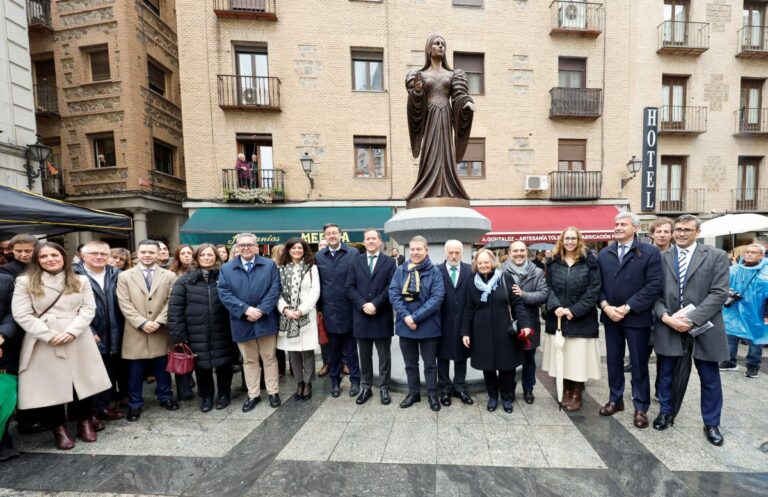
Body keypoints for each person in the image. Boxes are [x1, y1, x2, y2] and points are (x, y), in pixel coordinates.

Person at [12, 242, 110, 450]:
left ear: (63, 257)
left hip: (78, 335)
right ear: (37, 260)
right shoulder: (25, 281)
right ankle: (59, 428)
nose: (50, 259)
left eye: (54, 255)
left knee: (83, 382)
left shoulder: (79, 280)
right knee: (52, 386)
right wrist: (48, 335)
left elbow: (88, 308)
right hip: (43, 338)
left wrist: (72, 331)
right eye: (44, 256)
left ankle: (84, 421)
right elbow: (21, 314)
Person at [653, 215, 729, 446]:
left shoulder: (716, 256)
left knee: (709, 377)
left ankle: (712, 423)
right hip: (669, 325)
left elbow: (719, 293)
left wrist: (691, 319)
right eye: (678, 229)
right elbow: (652, 293)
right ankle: (666, 412)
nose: (681, 234)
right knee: (665, 374)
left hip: (705, 326)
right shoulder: (660, 257)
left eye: (687, 229)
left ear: (697, 231)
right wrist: (666, 317)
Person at [597, 213, 662, 429]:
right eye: (615, 224)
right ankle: (615, 400)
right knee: (614, 361)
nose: (617, 227)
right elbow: (596, 285)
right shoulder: (605, 253)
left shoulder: (649, 252)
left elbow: (653, 286)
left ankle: (640, 406)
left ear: (635, 228)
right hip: (610, 317)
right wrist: (606, 305)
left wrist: (626, 308)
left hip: (637, 318)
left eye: (623, 224)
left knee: (638, 364)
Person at [405, 34, 475, 205]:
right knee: (430, 152)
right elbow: (415, 102)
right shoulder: (418, 75)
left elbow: (459, 95)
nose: (440, 46)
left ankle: (449, 189)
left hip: (445, 116)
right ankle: (426, 188)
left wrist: (466, 104)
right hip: (430, 118)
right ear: (429, 48)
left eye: (443, 44)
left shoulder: (454, 74)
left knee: (445, 152)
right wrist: (418, 91)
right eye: (437, 43)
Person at [461, 249, 534, 413]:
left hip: (505, 331)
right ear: (476, 265)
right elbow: (469, 309)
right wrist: (465, 332)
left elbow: (517, 303)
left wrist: (525, 324)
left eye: (486, 262)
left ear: (493, 262)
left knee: (507, 367)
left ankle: (507, 398)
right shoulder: (472, 281)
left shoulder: (505, 277)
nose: (483, 265)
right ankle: (493, 397)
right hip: (481, 332)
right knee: (488, 367)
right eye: (480, 263)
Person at [217, 233, 282, 411]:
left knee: (269, 358)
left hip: (266, 319)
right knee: (249, 360)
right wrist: (245, 309)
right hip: (241, 321)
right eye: (242, 245)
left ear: (256, 247)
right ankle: (253, 395)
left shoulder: (269, 265)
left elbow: (275, 289)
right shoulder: (227, 268)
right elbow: (224, 293)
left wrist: (261, 310)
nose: (245, 248)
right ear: (237, 247)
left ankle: (273, 392)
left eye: (249, 244)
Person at [116, 239, 179, 422]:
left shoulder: (168, 276)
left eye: (151, 252)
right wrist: (142, 322)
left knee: (163, 368)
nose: (147, 255)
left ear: (158, 254)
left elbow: (171, 301)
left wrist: (159, 321)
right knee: (134, 372)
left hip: (160, 329)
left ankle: (165, 397)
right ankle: (135, 404)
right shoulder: (125, 276)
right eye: (144, 252)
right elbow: (124, 303)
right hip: (136, 330)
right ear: (138, 252)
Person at [169, 244, 235, 412]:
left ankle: (224, 395)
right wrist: (178, 335)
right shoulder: (184, 281)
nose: (206, 258)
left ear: (216, 258)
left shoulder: (225, 277)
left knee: (224, 365)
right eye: (203, 255)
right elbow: (175, 310)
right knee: (202, 366)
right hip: (195, 331)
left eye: (210, 255)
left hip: (223, 329)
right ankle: (206, 397)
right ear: (197, 258)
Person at [541, 227, 602, 412]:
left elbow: (594, 290)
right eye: (566, 238)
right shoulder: (552, 262)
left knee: (577, 358)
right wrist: (557, 307)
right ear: (561, 240)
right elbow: (547, 287)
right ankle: (565, 388)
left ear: (579, 240)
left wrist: (574, 310)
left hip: (581, 320)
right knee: (563, 356)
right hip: (558, 318)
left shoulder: (589, 262)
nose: (569, 242)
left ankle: (576, 392)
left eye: (573, 238)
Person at [388, 236, 445, 411]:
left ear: (426, 250)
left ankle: (432, 395)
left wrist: (415, 317)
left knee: (430, 365)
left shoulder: (435, 272)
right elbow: (393, 294)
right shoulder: (401, 270)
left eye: (418, 249)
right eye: (412, 249)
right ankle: (414, 393)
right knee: (410, 364)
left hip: (428, 326)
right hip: (406, 327)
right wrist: (406, 317)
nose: (415, 252)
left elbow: (437, 298)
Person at [74, 241, 125, 422]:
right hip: (86, 330)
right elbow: (69, 308)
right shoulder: (73, 275)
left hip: (114, 330)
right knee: (87, 374)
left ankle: (102, 408)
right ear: (83, 256)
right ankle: (86, 415)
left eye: (103, 254)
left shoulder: (117, 274)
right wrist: (87, 330)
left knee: (108, 370)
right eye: (94, 253)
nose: (99, 257)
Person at [346, 229, 396, 405]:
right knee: (364, 356)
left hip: (381, 315)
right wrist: (363, 305)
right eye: (368, 238)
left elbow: (391, 288)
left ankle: (384, 388)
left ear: (380, 241)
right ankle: (366, 387)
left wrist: (375, 304)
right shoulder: (355, 261)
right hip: (361, 317)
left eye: (374, 238)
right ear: (364, 241)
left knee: (384, 356)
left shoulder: (390, 262)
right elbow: (349, 287)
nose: (371, 241)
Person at [316, 223, 360, 398]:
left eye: (335, 233)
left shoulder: (353, 254)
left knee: (351, 349)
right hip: (329, 310)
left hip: (349, 308)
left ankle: (355, 381)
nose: (332, 236)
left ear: (341, 235)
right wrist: (319, 308)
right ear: (325, 237)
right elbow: (317, 284)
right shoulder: (319, 257)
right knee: (333, 351)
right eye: (328, 233)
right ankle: (335, 382)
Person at [503, 240, 549, 404]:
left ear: (527, 252)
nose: (519, 254)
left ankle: (528, 389)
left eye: (522, 250)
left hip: (529, 322)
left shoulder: (537, 272)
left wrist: (523, 295)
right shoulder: (501, 271)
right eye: (515, 251)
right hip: (507, 321)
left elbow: (544, 294)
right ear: (509, 253)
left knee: (529, 359)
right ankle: (509, 389)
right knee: (509, 358)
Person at [276, 238, 320, 402]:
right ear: (288, 250)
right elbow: (277, 293)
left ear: (304, 250)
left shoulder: (311, 268)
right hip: (287, 317)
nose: (296, 250)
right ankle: (299, 383)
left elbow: (315, 292)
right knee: (293, 352)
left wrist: (301, 310)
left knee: (308, 351)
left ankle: (308, 383)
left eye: (299, 248)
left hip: (306, 315)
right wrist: (286, 310)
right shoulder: (280, 269)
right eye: (293, 248)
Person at [721, 243, 768, 377]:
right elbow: (723, 285)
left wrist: (767, 314)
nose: (749, 254)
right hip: (734, 308)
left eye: (753, 252)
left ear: (762, 255)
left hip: (756, 310)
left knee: (755, 339)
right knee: (730, 335)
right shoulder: (735, 269)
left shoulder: (766, 272)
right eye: (747, 251)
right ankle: (729, 362)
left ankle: (753, 366)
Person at [436, 240, 473, 406]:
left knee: (461, 356)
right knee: (442, 357)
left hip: (464, 321)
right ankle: (445, 389)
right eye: (450, 252)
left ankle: (460, 387)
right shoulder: (436, 271)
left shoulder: (470, 270)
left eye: (457, 252)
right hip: (441, 322)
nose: (454, 255)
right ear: (445, 253)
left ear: (462, 253)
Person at [0, 273, 21, 460]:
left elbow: (14, 313)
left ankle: (3, 439)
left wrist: (1, 335)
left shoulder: (6, 281)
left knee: (4, 397)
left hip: (4, 348)